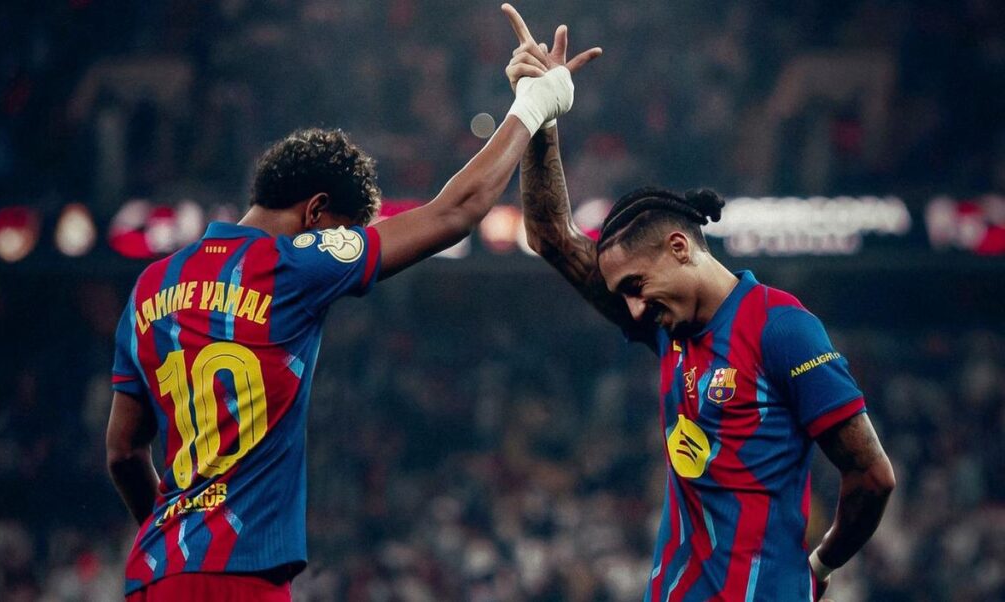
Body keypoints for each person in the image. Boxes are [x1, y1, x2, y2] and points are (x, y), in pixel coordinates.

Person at [105, 12, 602, 600]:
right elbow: (454, 212)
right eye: (339, 230)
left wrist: (173, 540)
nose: (339, 245)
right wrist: (534, 104)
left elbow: (122, 451)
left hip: (155, 575)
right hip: (240, 575)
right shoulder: (293, 265)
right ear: (315, 212)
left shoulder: (151, 286)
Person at [501, 7, 896, 600]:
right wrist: (540, 112)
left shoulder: (781, 328)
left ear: (679, 247)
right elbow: (551, 237)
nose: (632, 310)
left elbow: (871, 475)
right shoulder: (665, 322)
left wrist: (819, 564)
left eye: (635, 286)